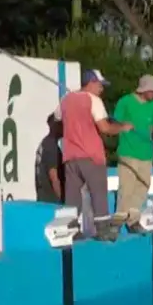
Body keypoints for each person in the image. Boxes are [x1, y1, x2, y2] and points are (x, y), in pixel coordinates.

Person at [53, 69, 133, 223]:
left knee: (72, 199)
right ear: (91, 83)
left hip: (70, 157)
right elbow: (105, 128)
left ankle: (70, 230)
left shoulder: (66, 99)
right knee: (99, 196)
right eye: (100, 85)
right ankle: (103, 230)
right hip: (91, 156)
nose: (102, 89)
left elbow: (57, 119)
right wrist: (123, 127)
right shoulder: (94, 100)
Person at [113, 74, 153, 232]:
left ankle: (133, 221)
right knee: (126, 187)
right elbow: (114, 123)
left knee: (143, 186)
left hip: (147, 153)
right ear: (144, 89)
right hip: (128, 151)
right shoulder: (125, 102)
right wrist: (124, 126)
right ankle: (117, 223)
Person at [35, 113, 64, 203]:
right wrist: (61, 199)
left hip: (43, 198)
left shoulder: (45, 143)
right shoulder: (51, 146)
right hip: (51, 201)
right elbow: (53, 175)